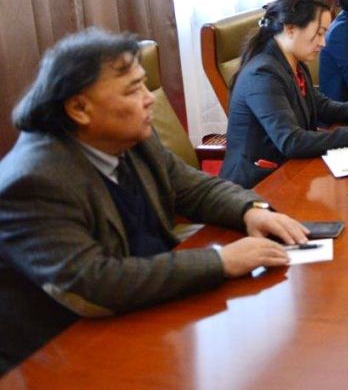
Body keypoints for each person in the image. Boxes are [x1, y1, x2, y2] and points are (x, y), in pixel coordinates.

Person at [0, 29, 312, 373]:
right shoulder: (33, 181)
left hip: (148, 309)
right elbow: (94, 282)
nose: (150, 99)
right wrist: (220, 261)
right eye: (134, 90)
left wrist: (249, 210)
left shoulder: (129, 138)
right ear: (79, 108)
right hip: (67, 351)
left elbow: (194, 188)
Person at [220, 0, 348, 189]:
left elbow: (320, 105)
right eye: (319, 33)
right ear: (290, 29)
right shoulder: (263, 74)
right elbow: (291, 141)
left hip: (290, 172)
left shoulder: (293, 62)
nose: (323, 43)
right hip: (258, 185)